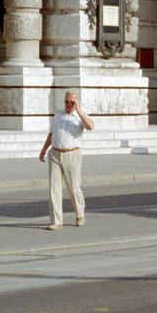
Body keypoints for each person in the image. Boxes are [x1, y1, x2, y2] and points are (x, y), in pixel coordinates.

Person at [38, 91, 95, 230]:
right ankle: (57, 221)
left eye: (72, 102)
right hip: (55, 154)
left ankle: (80, 213)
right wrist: (44, 150)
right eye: (66, 101)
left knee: (73, 188)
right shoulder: (58, 114)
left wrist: (79, 110)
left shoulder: (80, 117)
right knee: (54, 189)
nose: (68, 104)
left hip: (72, 155)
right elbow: (52, 133)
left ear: (77, 102)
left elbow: (90, 126)